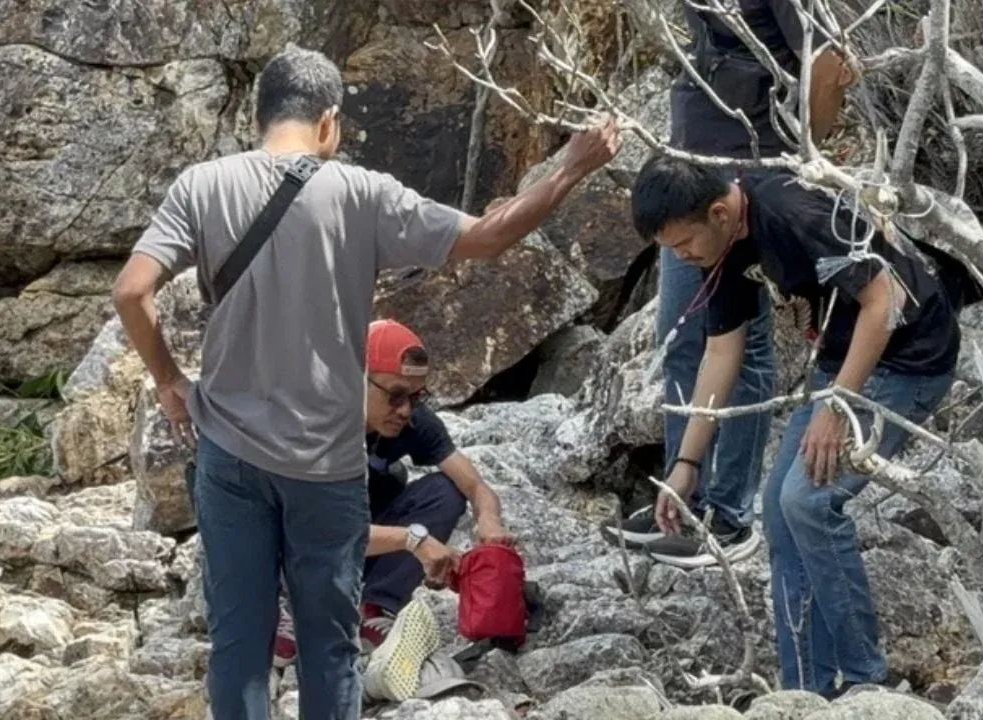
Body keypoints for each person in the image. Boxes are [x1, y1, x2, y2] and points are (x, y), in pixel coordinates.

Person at [111, 45, 620, 720]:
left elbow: (131, 291)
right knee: (329, 645)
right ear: (328, 122)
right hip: (325, 466)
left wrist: (169, 379)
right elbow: (491, 237)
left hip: (230, 456)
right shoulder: (362, 194)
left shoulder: (201, 186)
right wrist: (573, 166)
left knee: (239, 643)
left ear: (263, 116)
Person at [629, 154, 959, 698]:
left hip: (908, 356)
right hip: (840, 357)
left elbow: (886, 299)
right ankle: (805, 692)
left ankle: (868, 681)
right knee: (780, 513)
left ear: (718, 212)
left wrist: (837, 408)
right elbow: (721, 351)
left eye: (683, 244)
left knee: (808, 502)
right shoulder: (719, 241)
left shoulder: (791, 212)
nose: (682, 257)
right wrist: (686, 465)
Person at [601, 0, 859, 568]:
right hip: (692, 172)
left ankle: (729, 514)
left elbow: (829, 59)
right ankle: (681, 502)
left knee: (739, 346)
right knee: (682, 338)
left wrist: (803, 156)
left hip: (743, 179)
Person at [271, 320, 514, 699]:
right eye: (396, 396)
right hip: (297, 546)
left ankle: (373, 607)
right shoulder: (314, 425)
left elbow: (473, 484)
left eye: (417, 397)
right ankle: (283, 607)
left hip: (355, 539)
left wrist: (489, 519)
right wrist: (414, 540)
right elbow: (324, 530)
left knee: (444, 490)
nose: (405, 410)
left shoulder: (412, 420)